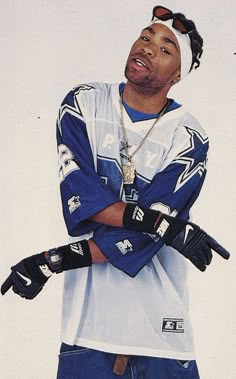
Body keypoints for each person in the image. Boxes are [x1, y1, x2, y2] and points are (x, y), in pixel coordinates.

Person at [1, 5, 230, 379]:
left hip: (161, 332)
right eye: (145, 36)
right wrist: (158, 223)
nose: (148, 47)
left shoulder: (188, 136)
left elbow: (142, 237)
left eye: (166, 47)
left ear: (176, 75)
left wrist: (52, 260)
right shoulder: (83, 105)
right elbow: (83, 198)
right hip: (88, 331)